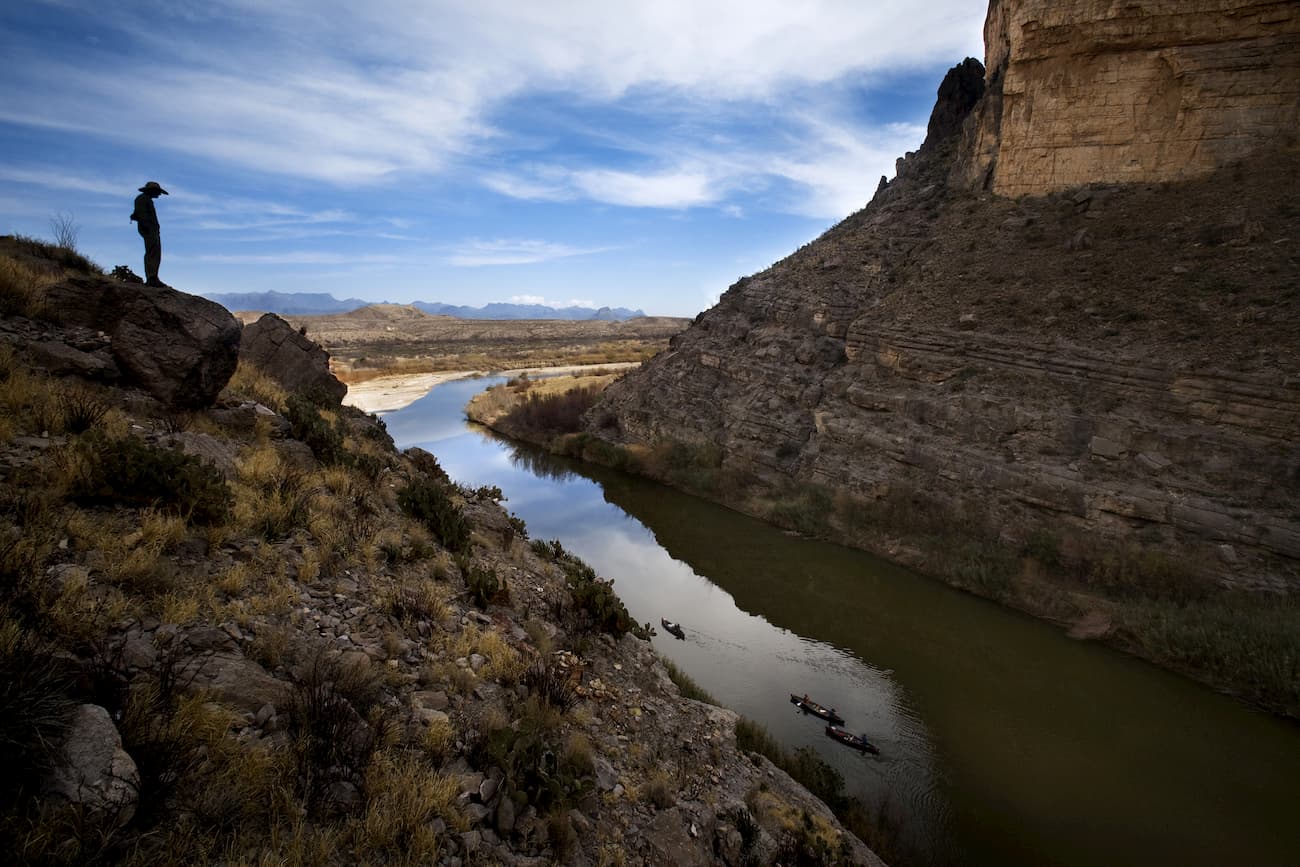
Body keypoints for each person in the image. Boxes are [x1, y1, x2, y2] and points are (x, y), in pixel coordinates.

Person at [130, 181, 168, 286]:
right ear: (152, 191)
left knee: (154, 253)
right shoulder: (142, 199)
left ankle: (153, 277)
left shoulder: (145, 199)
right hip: (149, 230)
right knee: (152, 252)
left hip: (152, 230)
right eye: (158, 192)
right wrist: (148, 228)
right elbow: (143, 215)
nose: (159, 194)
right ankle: (152, 278)